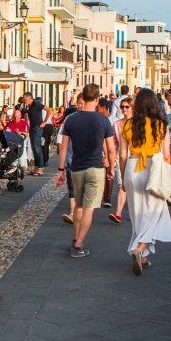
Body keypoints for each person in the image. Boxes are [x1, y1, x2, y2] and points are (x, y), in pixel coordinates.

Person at [54, 84, 116, 258]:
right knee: (89, 209)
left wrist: (60, 170)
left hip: (76, 168)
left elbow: (64, 147)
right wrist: (111, 168)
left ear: (83, 97)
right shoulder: (103, 120)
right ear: (96, 99)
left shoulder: (71, 120)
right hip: (96, 168)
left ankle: (75, 239)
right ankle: (78, 245)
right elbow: (111, 149)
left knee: (79, 207)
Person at [117, 90, 171, 274]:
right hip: (153, 169)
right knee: (156, 213)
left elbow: (122, 154)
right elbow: (166, 156)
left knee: (137, 215)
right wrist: (170, 181)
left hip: (132, 169)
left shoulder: (126, 125)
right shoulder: (161, 125)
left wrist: (124, 178)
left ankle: (144, 257)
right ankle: (140, 249)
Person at [24, 93, 49, 174]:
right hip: (32, 128)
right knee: (34, 148)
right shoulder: (30, 106)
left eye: (25, 99)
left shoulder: (36, 103)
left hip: (37, 128)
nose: (24, 101)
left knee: (37, 148)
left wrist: (44, 122)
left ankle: (40, 168)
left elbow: (49, 110)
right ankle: (37, 167)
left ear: (29, 98)